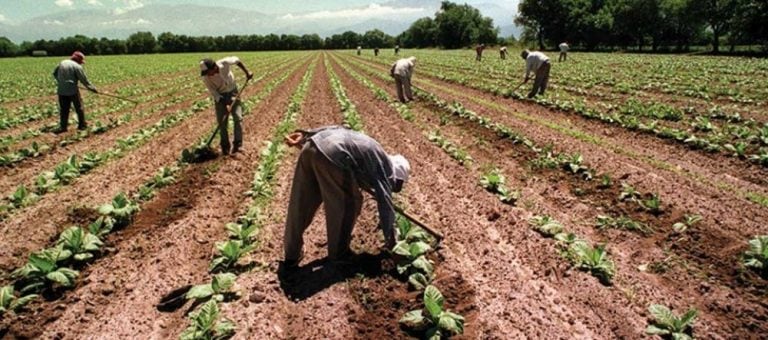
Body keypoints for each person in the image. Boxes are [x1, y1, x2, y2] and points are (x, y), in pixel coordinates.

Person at [282, 125, 411, 267]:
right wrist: (393, 243)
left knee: (302, 202)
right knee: (350, 203)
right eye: (397, 185)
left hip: (311, 146)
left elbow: (339, 128)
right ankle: (339, 253)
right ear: (396, 176)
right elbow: (385, 205)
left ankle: (291, 254)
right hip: (333, 154)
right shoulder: (384, 167)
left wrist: (306, 136)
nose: (394, 188)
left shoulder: (373, 151)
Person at [200, 56, 253, 155]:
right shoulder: (206, 78)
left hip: (233, 92)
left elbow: (237, 60)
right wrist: (224, 102)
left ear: (214, 67)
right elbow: (214, 92)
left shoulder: (224, 63)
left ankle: (238, 145)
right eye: (206, 73)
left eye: (208, 72)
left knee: (238, 118)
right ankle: (225, 147)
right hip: (220, 96)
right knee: (222, 122)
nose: (208, 75)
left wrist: (247, 72)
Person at [52, 51, 98, 133]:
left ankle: (63, 127)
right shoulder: (77, 66)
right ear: (78, 60)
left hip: (61, 90)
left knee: (64, 109)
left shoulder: (62, 62)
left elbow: (54, 74)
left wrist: (61, 82)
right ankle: (82, 125)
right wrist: (92, 88)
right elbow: (84, 80)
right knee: (79, 107)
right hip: (72, 90)